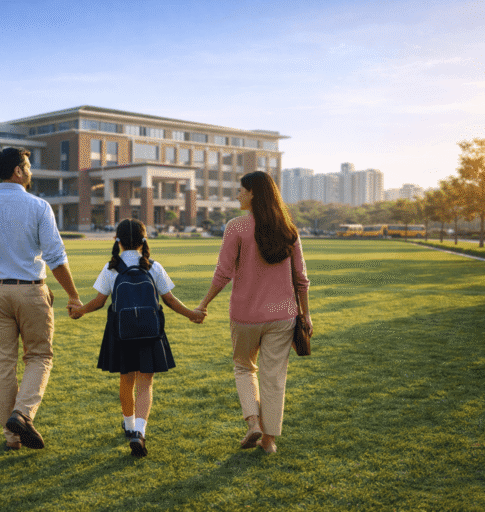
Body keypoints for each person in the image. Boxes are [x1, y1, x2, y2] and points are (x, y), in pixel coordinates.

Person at [0, 147, 82, 451]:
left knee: (2, 366)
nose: (30, 171)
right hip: (31, 290)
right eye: (27, 166)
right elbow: (55, 257)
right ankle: (23, 413)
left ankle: (12, 438)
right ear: (18, 170)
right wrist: (73, 295)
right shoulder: (39, 206)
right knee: (40, 356)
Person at [68, 218, 205, 457]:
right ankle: (139, 432)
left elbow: (99, 302)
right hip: (150, 332)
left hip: (121, 332)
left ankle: (129, 425)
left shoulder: (111, 268)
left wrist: (80, 311)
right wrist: (191, 314)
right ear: (144, 241)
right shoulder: (153, 267)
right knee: (145, 383)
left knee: (126, 380)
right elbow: (169, 300)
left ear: (117, 240)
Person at [197, 171, 312, 455]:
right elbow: (301, 278)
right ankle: (269, 441)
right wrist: (307, 315)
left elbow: (223, 273)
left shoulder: (236, 227)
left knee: (244, 368)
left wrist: (204, 304)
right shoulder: (288, 229)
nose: (237, 194)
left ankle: (253, 424)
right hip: (283, 316)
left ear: (253, 194)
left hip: (245, 315)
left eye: (241, 190)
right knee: (274, 378)